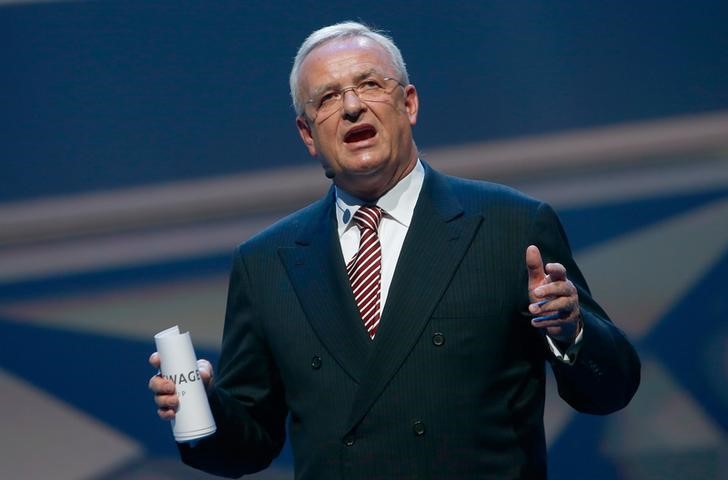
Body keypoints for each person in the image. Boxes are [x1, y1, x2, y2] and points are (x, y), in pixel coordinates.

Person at [148, 21, 640, 479]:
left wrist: (572, 332)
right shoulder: (267, 262)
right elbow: (249, 446)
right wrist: (205, 407)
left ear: (409, 103)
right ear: (307, 135)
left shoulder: (508, 225)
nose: (352, 107)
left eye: (369, 85)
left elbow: (610, 390)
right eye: (327, 97)